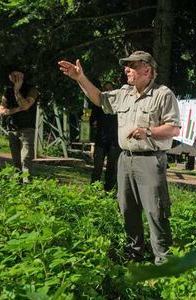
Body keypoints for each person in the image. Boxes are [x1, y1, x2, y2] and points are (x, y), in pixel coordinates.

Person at [58, 51, 180, 265]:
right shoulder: (125, 93)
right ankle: (134, 254)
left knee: (155, 209)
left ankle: (164, 261)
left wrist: (148, 131)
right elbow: (99, 98)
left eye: (132, 65)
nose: (127, 69)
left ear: (147, 70)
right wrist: (80, 78)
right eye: (126, 65)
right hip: (125, 159)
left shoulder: (163, 94)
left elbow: (173, 129)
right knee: (126, 208)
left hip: (150, 160)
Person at [0, 69, 39, 182]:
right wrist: (17, 109)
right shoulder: (7, 91)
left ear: (22, 76)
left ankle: (27, 185)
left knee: (26, 160)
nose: (14, 77)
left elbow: (26, 105)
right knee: (16, 161)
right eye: (12, 75)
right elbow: (2, 111)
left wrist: (17, 91)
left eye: (17, 75)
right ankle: (18, 186)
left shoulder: (32, 89)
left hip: (27, 128)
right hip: (12, 129)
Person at [90, 81, 121, 191]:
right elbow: (91, 120)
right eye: (105, 89)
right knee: (97, 166)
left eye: (110, 89)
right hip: (101, 139)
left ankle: (109, 190)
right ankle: (94, 189)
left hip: (114, 140)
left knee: (111, 167)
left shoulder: (118, 104)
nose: (108, 91)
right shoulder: (98, 105)